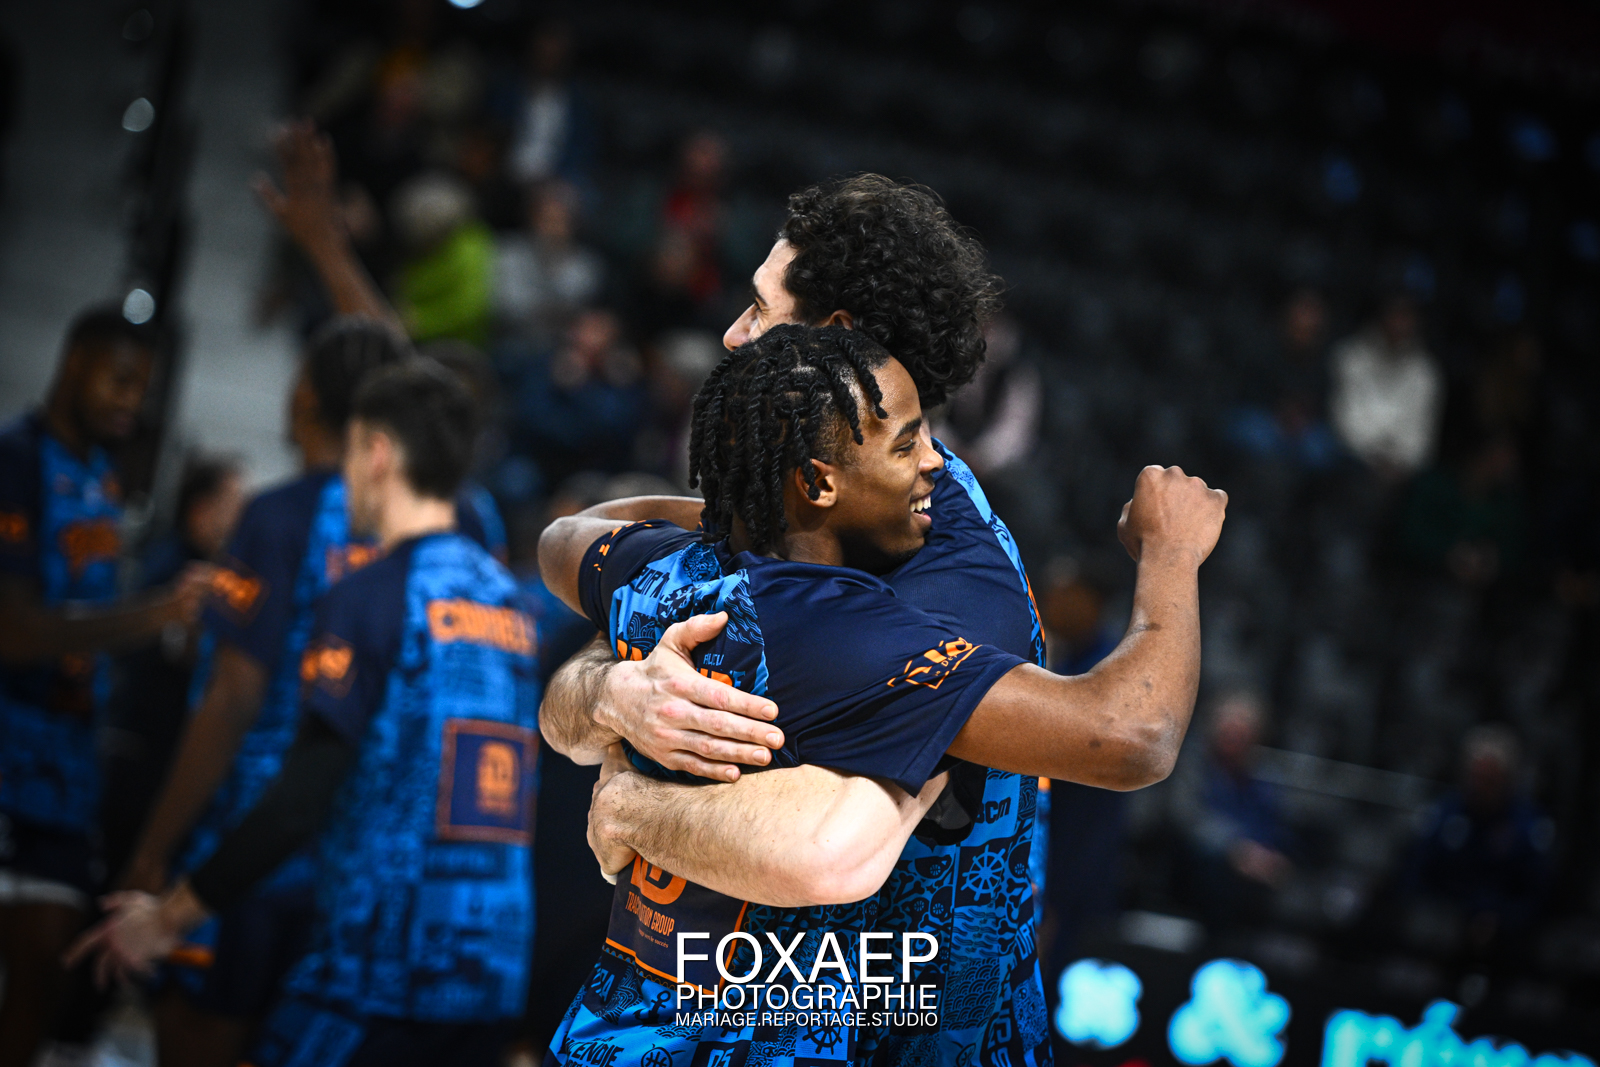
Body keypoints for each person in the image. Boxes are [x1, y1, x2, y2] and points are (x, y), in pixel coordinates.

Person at [533, 173, 1201, 1067]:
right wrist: (613, 692)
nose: (733, 332)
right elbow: (576, 606)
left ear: (832, 335)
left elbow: (830, 848)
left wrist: (630, 804)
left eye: (758, 307)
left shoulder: (947, 584)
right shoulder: (774, 532)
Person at [72, 360, 541, 1067]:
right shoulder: (509, 602)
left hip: (377, 971)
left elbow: (302, 797)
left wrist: (166, 918)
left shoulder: (369, 594)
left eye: (350, 453)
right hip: (490, 973)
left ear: (376, 453)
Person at [0, 306, 213, 1067]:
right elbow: (16, 629)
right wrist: (156, 613)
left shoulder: (101, 475)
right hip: (9, 742)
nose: (131, 402)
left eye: (142, 389)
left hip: (62, 765)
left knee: (47, 965)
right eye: (119, 380)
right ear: (74, 362)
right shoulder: (17, 459)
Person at [101, 456, 246, 881]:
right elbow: (177, 652)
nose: (242, 521)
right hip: (142, 759)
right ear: (200, 512)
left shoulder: (197, 568)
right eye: (234, 507)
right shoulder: (175, 573)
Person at [1169, 692, 1293, 932]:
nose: (1234, 737)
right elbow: (1186, 819)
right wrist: (1237, 850)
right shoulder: (1191, 766)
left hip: (1255, 867)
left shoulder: (1264, 774)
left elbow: (1273, 823)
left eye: (1242, 732)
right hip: (1201, 864)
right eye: (1228, 730)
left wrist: (1267, 856)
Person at [1329, 294, 1443, 479]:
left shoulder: (1425, 373)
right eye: (1395, 314)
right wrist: (1373, 456)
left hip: (1401, 471)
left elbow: (1421, 435)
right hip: (1351, 459)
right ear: (1381, 316)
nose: (1400, 323)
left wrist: (1397, 461)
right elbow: (1344, 418)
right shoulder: (1352, 356)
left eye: (1406, 316)